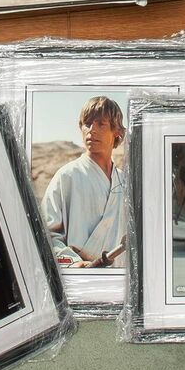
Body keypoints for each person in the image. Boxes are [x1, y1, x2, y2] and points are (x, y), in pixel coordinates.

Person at [41, 96, 126, 268]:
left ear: (116, 131)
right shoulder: (67, 176)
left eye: (101, 124)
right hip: (78, 277)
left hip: (119, 276)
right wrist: (74, 263)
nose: (92, 130)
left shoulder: (125, 182)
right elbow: (46, 234)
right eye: (87, 124)